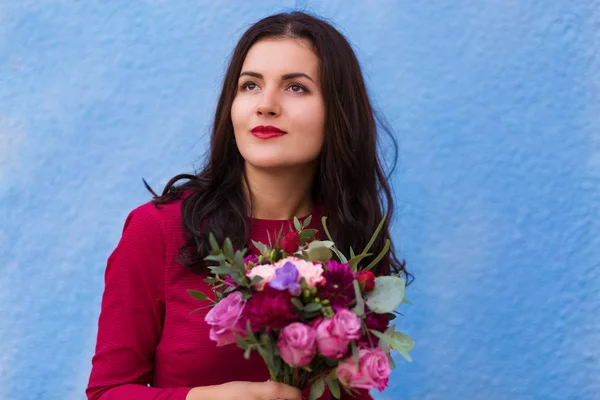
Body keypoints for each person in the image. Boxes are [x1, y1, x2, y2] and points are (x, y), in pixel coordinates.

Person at [86, 11, 409, 400]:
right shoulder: (158, 229)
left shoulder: (350, 240)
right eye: (250, 85)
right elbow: (108, 392)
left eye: (296, 88)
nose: (266, 105)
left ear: (337, 113)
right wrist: (205, 398)